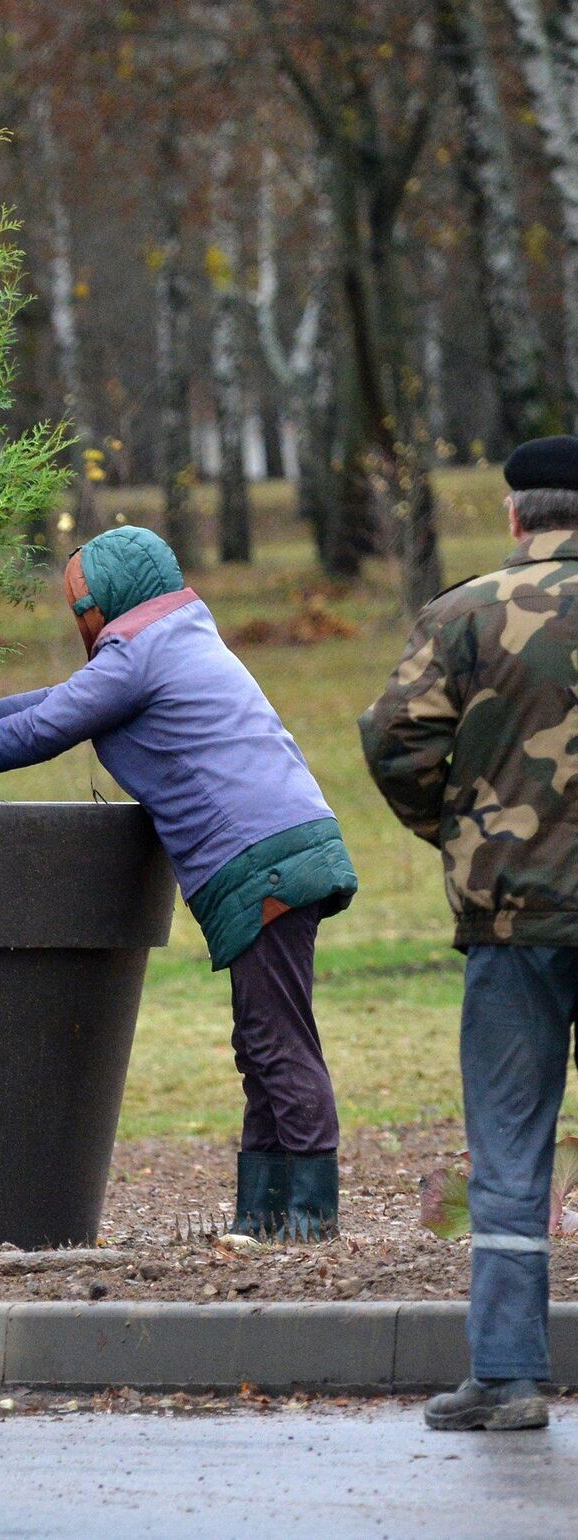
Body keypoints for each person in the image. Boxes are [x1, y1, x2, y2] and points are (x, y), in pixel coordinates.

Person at [0, 525, 358, 1239]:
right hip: (284, 847)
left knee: (278, 1039)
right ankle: (265, 1219)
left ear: (108, 604)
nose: (80, 624)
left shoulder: (141, 655)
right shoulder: (174, 636)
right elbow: (65, 697)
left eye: (80, 609)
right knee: (262, 1038)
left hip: (265, 861)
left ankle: (310, 1222)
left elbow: (51, 727)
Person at [359, 434, 578, 1433]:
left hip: (509, 920)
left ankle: (505, 1375)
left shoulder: (459, 615)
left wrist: (459, 833)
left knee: (508, 1146)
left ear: (512, 518)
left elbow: (393, 738)